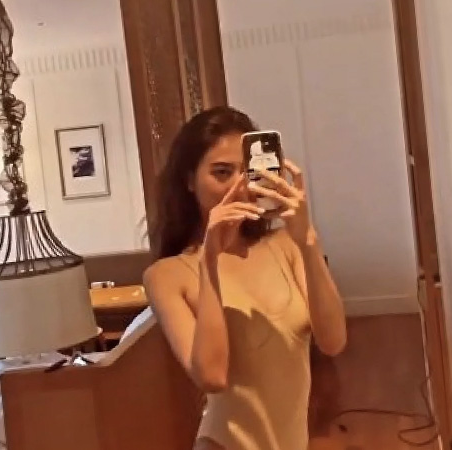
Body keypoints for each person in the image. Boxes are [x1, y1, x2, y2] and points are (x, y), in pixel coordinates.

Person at [143, 106, 347, 450]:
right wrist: (209, 262)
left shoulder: (286, 246)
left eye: (248, 172)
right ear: (189, 181)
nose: (239, 186)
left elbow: (333, 341)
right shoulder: (166, 275)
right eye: (222, 173)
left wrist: (308, 241)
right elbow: (212, 376)